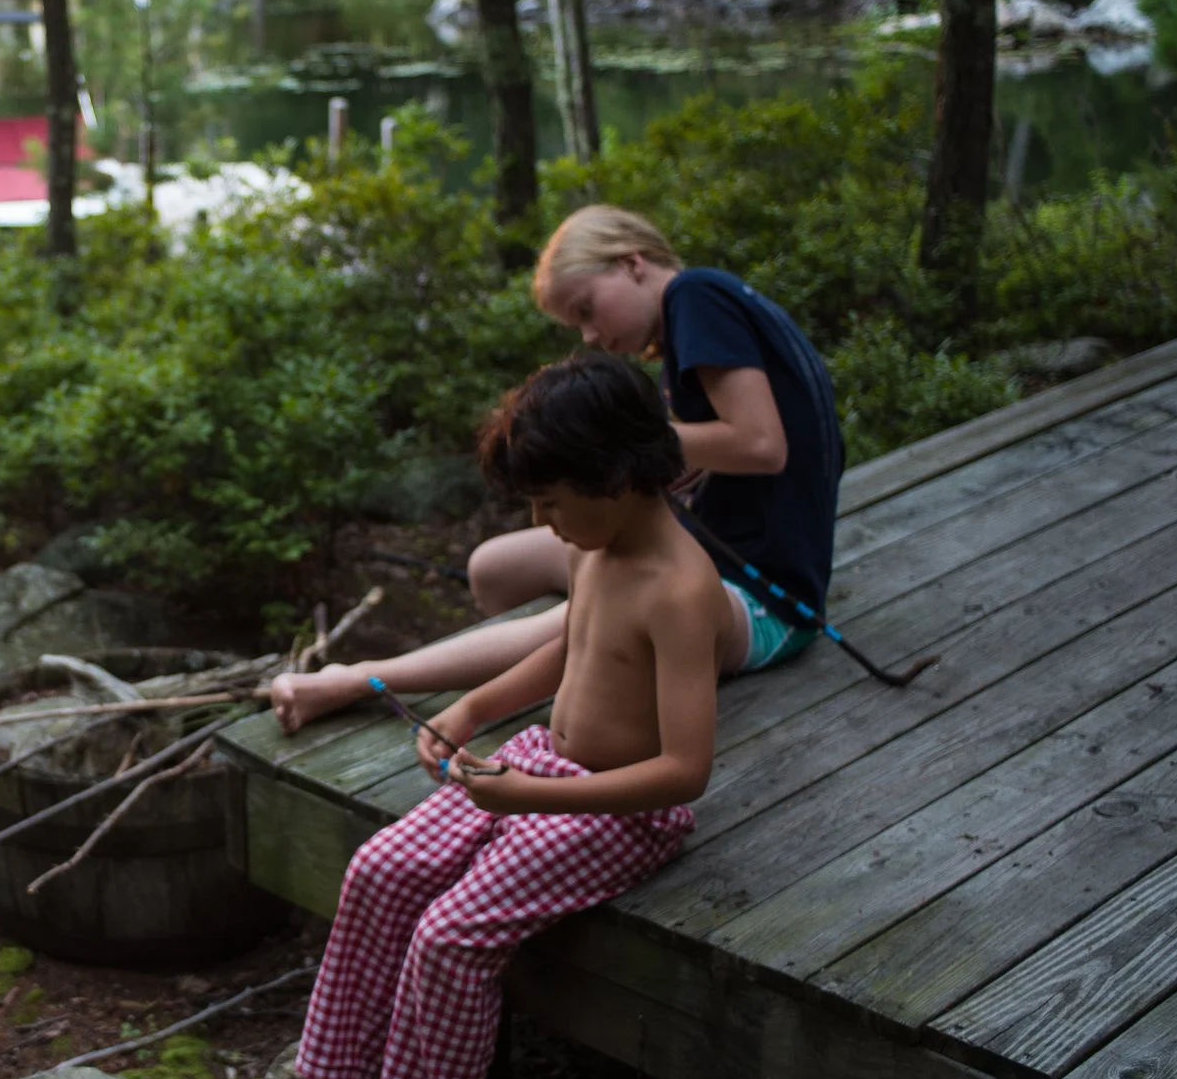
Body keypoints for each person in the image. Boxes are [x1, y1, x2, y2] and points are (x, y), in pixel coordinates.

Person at [260, 352, 727, 1079]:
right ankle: (347, 1071)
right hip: (544, 763)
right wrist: (473, 706)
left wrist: (532, 800)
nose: (544, 522)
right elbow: (568, 652)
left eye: (552, 501)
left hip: (622, 810)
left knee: (451, 932)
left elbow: (684, 770)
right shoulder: (597, 543)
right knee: (383, 864)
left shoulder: (680, 587)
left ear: (622, 476)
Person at [268, 204, 843, 731]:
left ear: (632, 264)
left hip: (764, 600)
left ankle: (362, 678)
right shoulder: (699, 317)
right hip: (708, 555)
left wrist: (623, 442)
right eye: (576, 326)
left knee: (594, 613)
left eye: (587, 310)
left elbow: (762, 444)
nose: (591, 335)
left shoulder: (695, 296)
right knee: (495, 567)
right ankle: (589, 661)